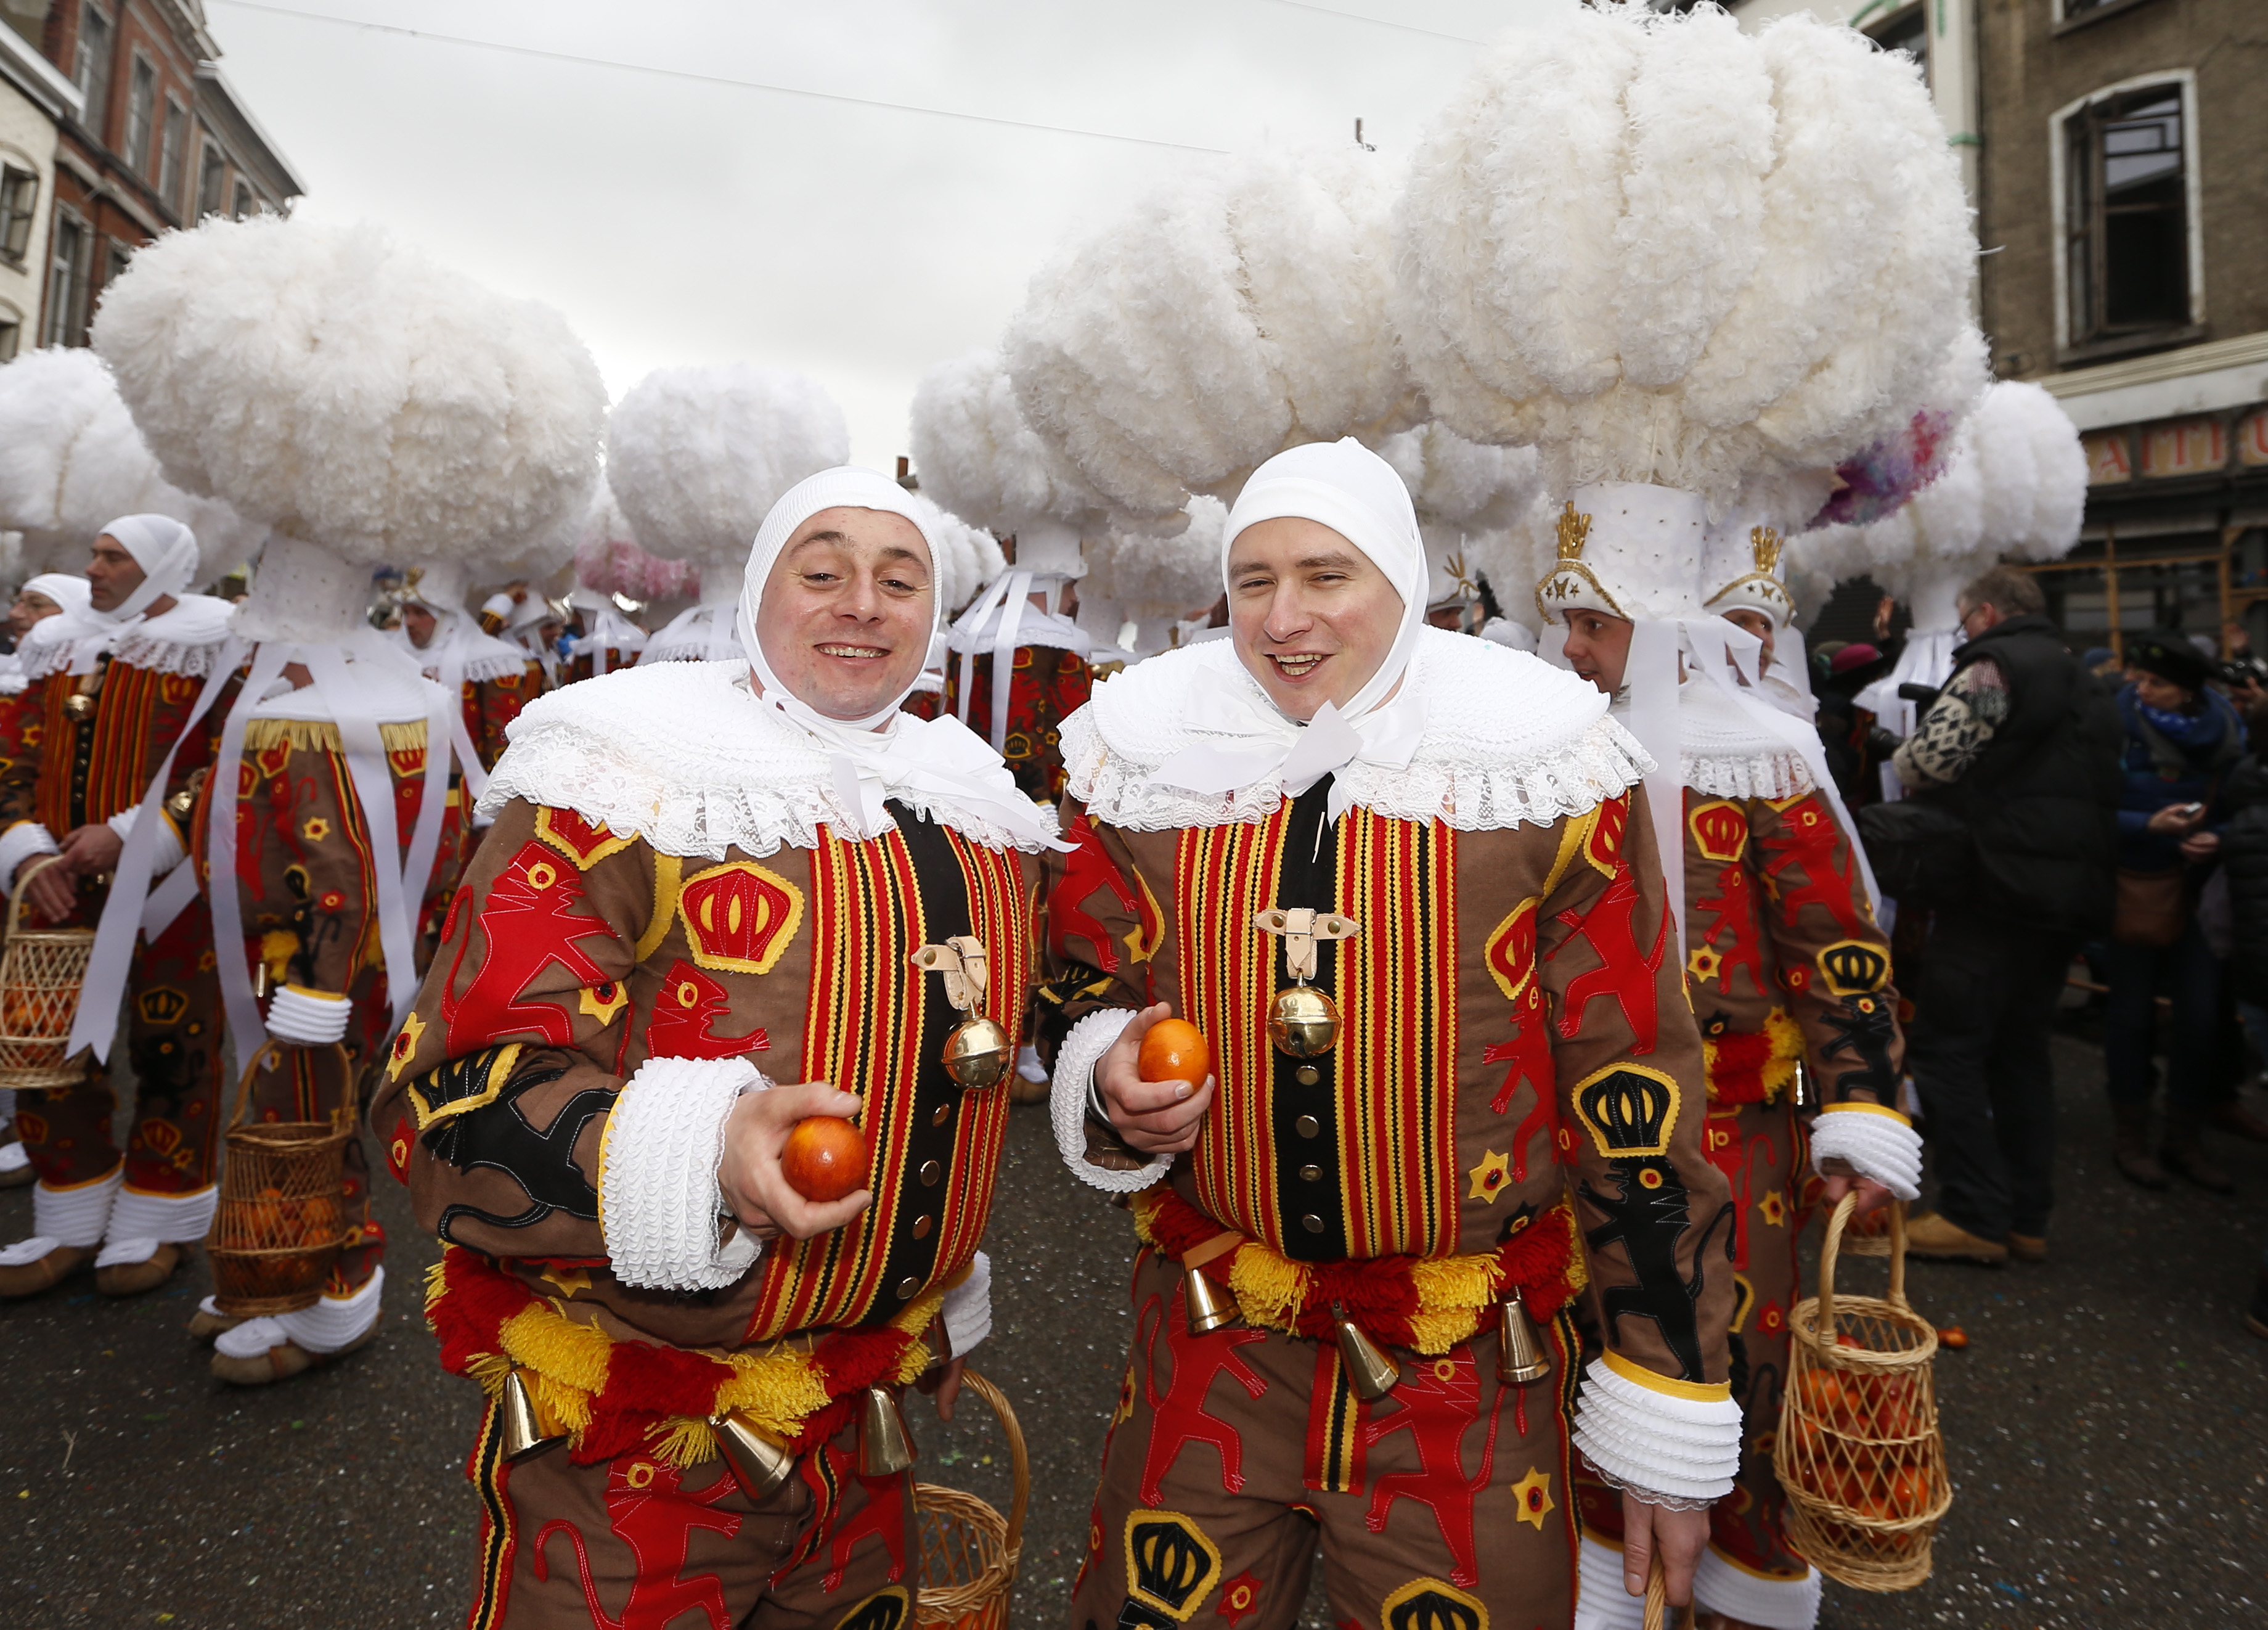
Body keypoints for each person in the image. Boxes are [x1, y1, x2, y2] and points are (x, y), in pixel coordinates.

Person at [1045, 441, 1740, 1630]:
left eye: (1327, 574)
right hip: (1214, 1339)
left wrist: (1667, 1384)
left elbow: (1637, 1087)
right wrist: (1103, 1072)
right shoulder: (1145, 760)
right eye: (1253, 579)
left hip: (1476, 1370)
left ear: (1406, 583)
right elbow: (1078, 977)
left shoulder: (1541, 770)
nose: (1284, 616)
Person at [378, 467, 1061, 1628]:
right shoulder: (625, 775)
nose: (863, 602)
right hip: (632, 1439)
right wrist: (699, 1153)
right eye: (824, 569)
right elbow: (445, 1100)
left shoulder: (972, 803)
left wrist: (936, 1293)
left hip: (869, 1416)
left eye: (900, 580)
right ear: (760, 593)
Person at [1549, 513, 1915, 1630]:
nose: (1571, 646)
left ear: (1655, 626)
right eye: (1569, 619)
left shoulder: (1767, 754)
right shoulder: (1567, 746)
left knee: (1733, 1363)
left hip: (1737, 1138)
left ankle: (1731, 1583)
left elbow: (1839, 950)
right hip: (1585, 1140)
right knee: (1588, 1355)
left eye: (1592, 620)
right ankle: (1604, 1577)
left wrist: (1859, 1109)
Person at [186, 532, 463, 1382]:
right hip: (334, 966)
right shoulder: (390, 700)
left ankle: (334, 1288)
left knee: (307, 1122)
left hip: (314, 972)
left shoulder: (313, 723)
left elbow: (337, 874)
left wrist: (317, 987)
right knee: (303, 1119)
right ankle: (280, 1277)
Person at [0, 520, 237, 1301]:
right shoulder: (57, 642)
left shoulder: (215, 642)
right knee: (42, 1046)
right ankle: (70, 1210)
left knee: (173, 1052)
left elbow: (232, 758)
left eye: (113, 557)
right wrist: (26, 850)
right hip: (56, 888)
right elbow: (13, 753)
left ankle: (161, 1213)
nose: (92, 569)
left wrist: (139, 834)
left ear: (162, 566)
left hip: (169, 895)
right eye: (95, 555)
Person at [1890, 567, 2119, 1264]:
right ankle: (2026, 1214)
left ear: (1984, 613)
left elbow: (1927, 760)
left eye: (1963, 622)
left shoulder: (1993, 667)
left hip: (1997, 887)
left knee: (1947, 1045)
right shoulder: (2085, 676)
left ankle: (1972, 1212)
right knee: (2021, 1051)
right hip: (2069, 896)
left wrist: (1897, 756)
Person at [2100, 632, 2245, 1192]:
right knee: (2131, 1015)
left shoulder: (2227, 727)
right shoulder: (2115, 722)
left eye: (2156, 682)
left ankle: (2185, 1138)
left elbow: (2248, 804)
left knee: (2201, 1018)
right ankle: (2130, 1138)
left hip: (2202, 892)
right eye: (2140, 677)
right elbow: (2090, 804)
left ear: (2189, 692)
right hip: (2136, 885)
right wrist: (2145, 826)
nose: (2141, 688)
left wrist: (2221, 838)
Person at [393, 560, 543, 774]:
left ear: (445, 617)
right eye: (406, 613)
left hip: (464, 791)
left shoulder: (487, 659)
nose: (409, 622)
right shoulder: (394, 656)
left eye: (420, 613)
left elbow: (503, 737)